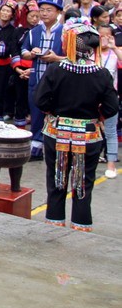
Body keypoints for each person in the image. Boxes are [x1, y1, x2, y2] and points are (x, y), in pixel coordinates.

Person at [35, 18, 118, 231]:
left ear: (69, 43)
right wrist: (97, 117)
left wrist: (54, 111)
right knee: (83, 183)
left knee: (56, 180)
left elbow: (41, 101)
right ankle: (81, 225)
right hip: (89, 135)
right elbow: (111, 107)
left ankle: (54, 223)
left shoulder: (56, 69)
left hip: (57, 132)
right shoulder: (101, 73)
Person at [21, 0, 65, 159]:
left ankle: (57, 147)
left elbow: (75, 58)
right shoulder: (33, 32)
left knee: (57, 114)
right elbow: (23, 51)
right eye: (42, 10)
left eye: (49, 10)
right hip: (36, 78)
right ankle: (37, 147)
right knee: (36, 112)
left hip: (58, 82)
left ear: (58, 12)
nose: (45, 13)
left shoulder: (65, 32)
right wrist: (31, 54)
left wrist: (56, 58)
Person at [0, 0, 17, 122]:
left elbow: (7, 50)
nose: (5, 13)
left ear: (12, 14)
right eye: (3, 10)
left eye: (8, 11)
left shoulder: (13, 30)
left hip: (3, 66)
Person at [97, 24, 119, 178]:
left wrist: (114, 47)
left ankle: (111, 164)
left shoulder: (115, 53)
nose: (103, 39)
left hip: (110, 97)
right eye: (100, 35)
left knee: (110, 131)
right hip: (91, 98)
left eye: (107, 35)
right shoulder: (91, 53)